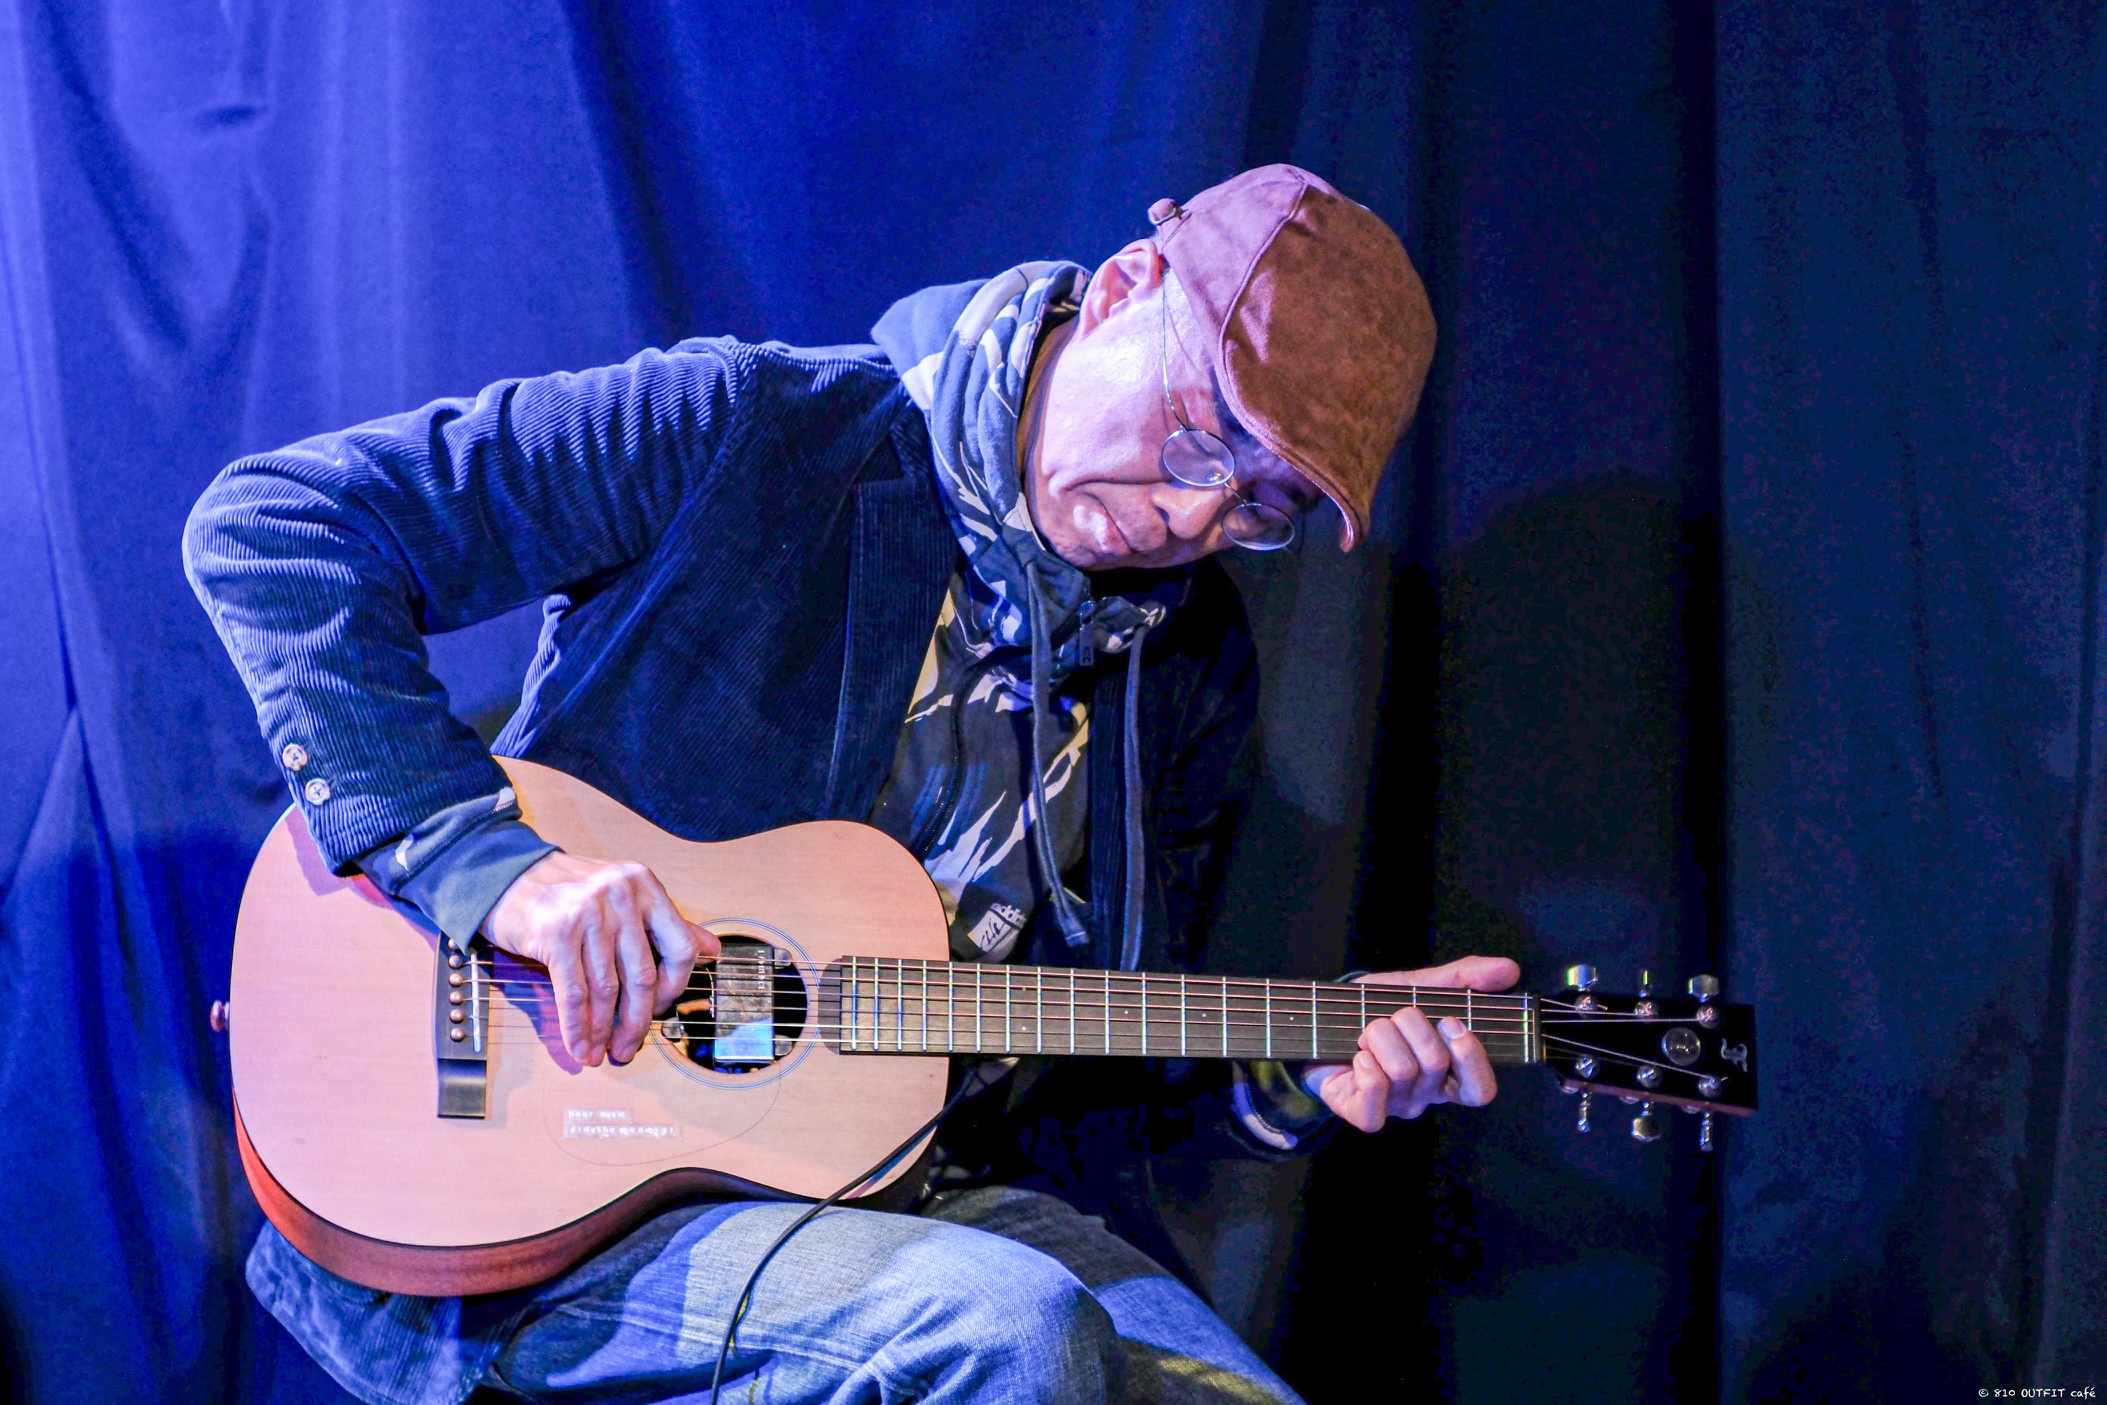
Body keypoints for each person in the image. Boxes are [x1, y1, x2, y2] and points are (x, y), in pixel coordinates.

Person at [186, 164, 1521, 1405]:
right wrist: (499, 874)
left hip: (922, 1196)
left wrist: (1291, 1083)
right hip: (567, 1180)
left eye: (1261, 505)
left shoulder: (1191, 657)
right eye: (1199, 433)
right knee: (1009, 1329)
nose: (1193, 515)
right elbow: (277, 528)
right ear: (1125, 288)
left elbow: (1085, 1096)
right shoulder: (754, 431)